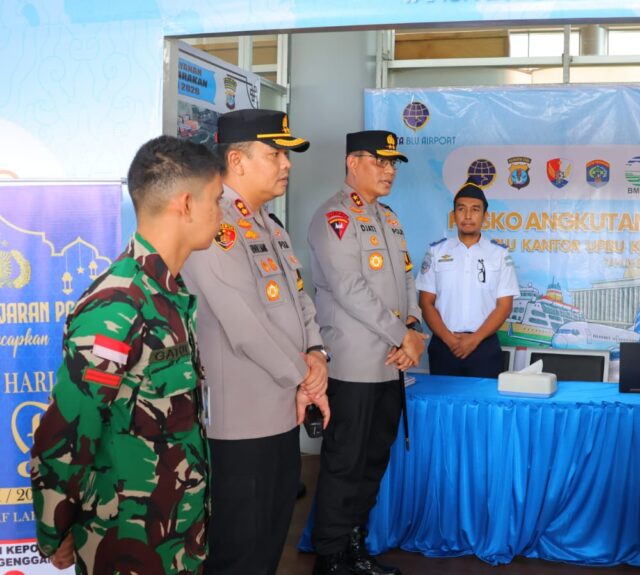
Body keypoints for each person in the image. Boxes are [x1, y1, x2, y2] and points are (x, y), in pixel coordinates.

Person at [30, 135, 223, 573]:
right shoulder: (118, 304)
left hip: (176, 536)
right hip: (124, 545)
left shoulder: (170, 295)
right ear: (186, 204)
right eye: (216, 200)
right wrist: (55, 529)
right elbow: (67, 431)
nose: (221, 213)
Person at [181, 109, 330, 575]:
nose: (287, 164)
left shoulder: (270, 224)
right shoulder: (215, 224)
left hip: (282, 415)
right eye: (275, 154)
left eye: (286, 154)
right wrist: (307, 378)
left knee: (267, 547)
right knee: (238, 554)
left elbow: (300, 300)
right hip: (239, 427)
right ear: (237, 160)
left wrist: (317, 353)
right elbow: (246, 327)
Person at [307, 130, 427, 575]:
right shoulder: (334, 217)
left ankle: (355, 548)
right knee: (345, 464)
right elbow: (350, 289)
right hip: (353, 365)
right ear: (352, 163)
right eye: (380, 161)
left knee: (374, 461)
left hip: (391, 365)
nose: (389, 170)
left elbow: (407, 279)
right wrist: (402, 336)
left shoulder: (389, 218)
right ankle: (331, 555)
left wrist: (411, 328)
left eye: (393, 163)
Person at [416, 183, 519, 377]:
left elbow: (504, 306)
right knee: (442, 397)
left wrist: (474, 340)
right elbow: (425, 302)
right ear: (454, 214)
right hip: (444, 346)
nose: (468, 215)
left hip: (484, 347)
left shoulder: (499, 254)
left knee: (483, 397)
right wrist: (449, 339)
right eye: (461, 209)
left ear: (485, 216)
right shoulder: (436, 252)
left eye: (475, 209)